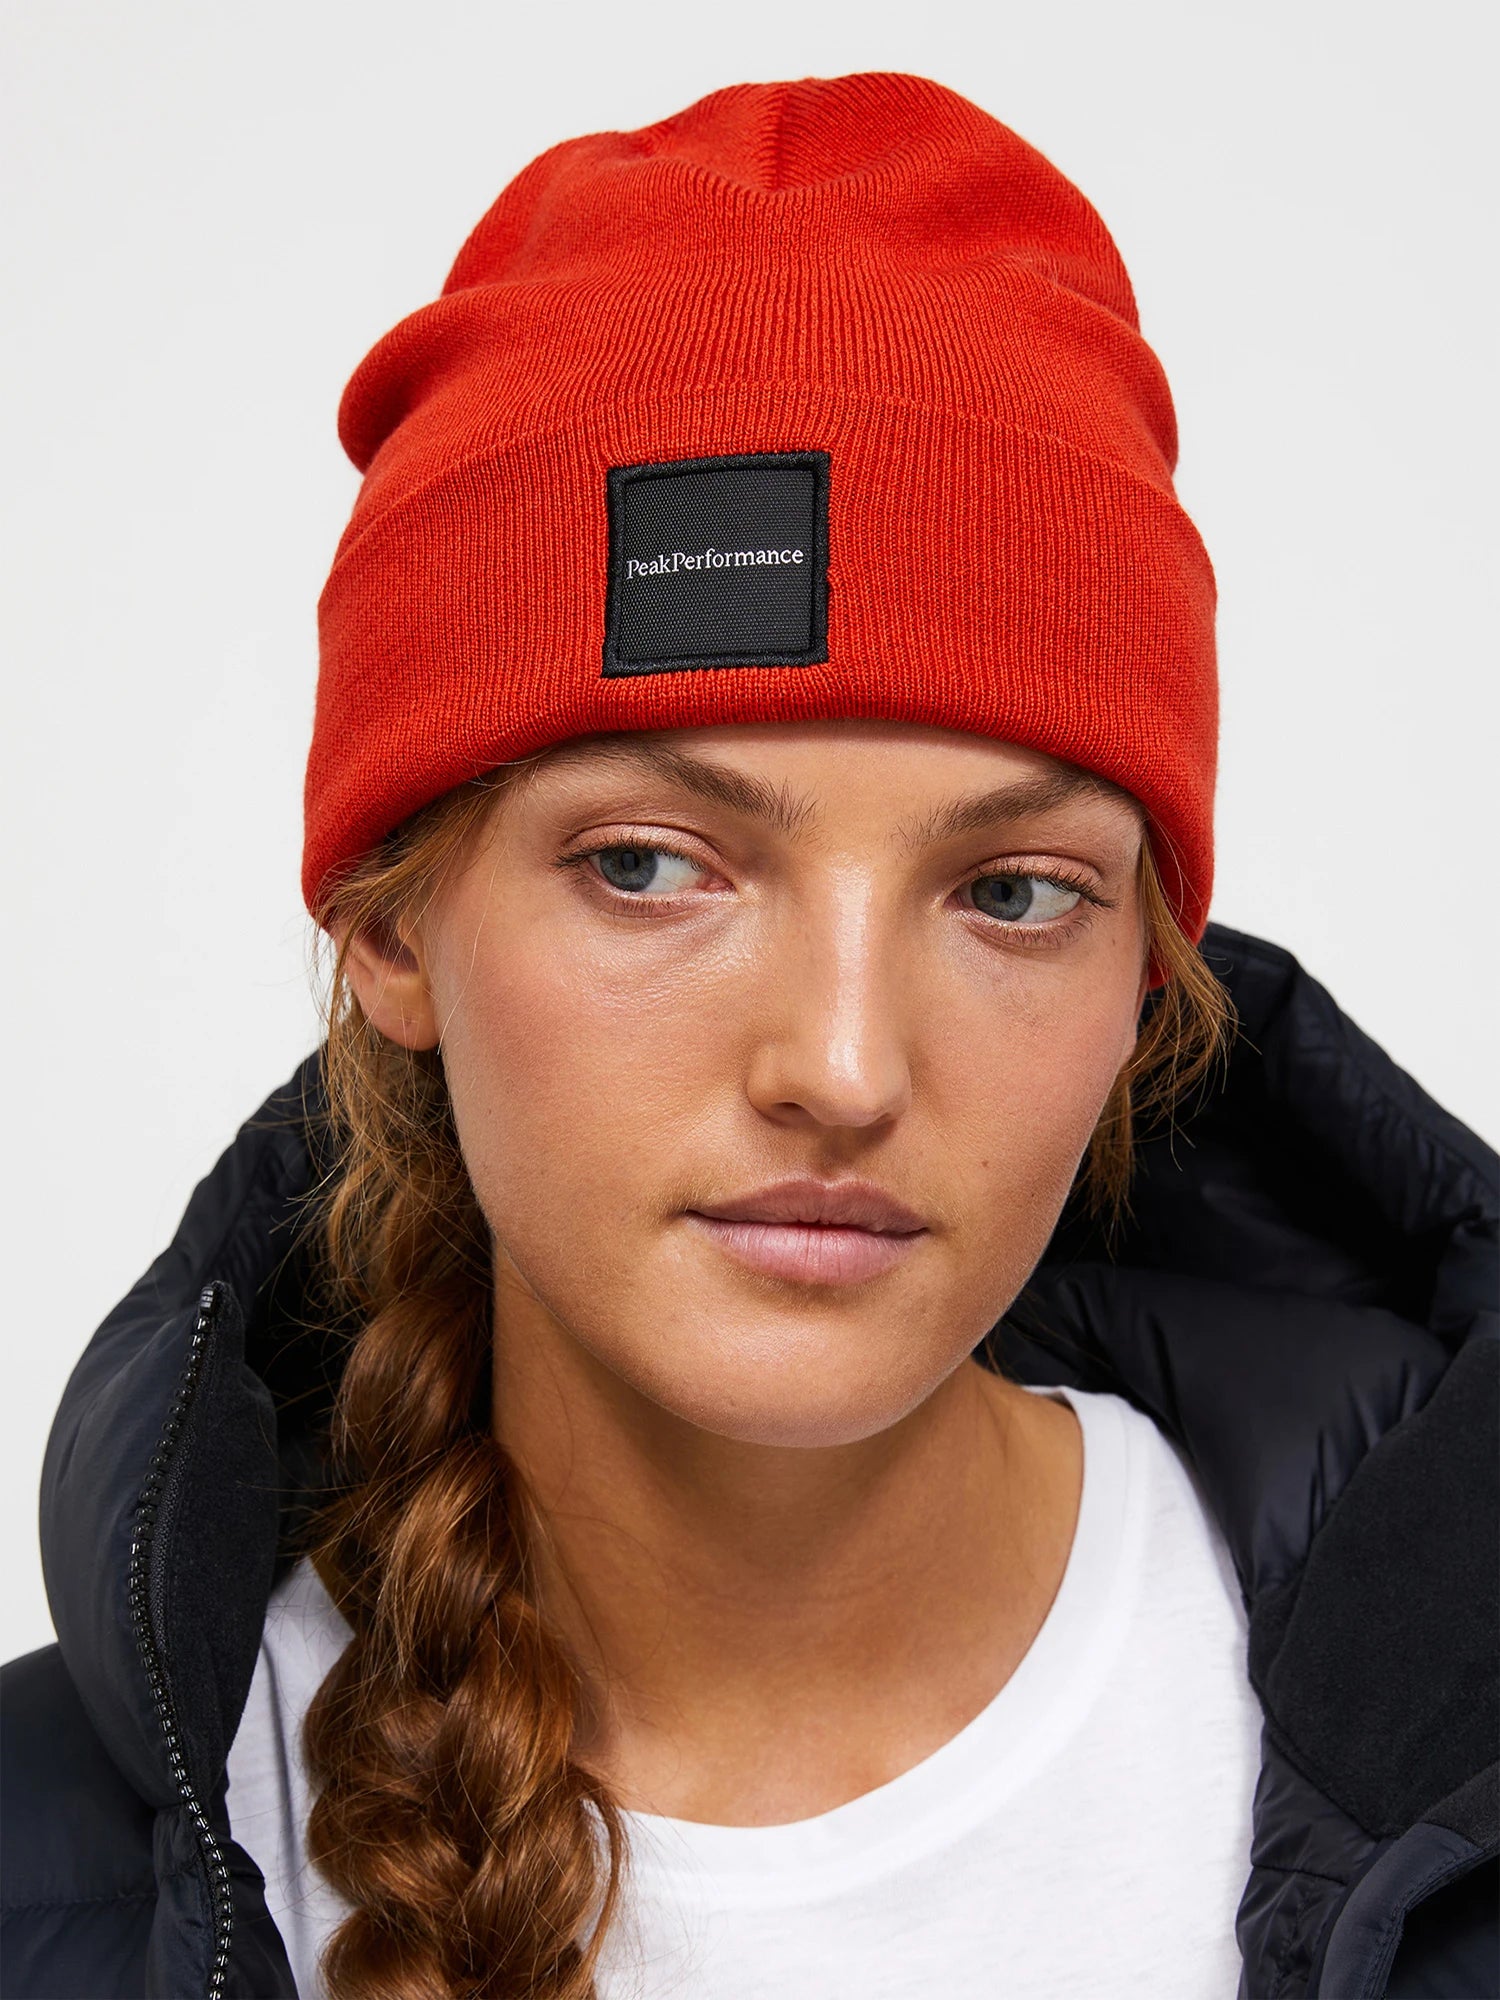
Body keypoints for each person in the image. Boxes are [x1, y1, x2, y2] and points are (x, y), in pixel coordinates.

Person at [1, 70, 1495, 2000]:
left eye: (1013, 891)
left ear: (1148, 981)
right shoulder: (43, 1876)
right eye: (650, 867)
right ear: (389, 926)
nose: (845, 1067)